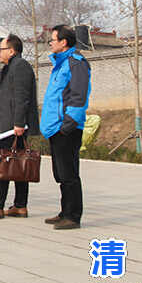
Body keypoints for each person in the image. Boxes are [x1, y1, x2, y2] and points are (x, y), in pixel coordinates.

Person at [41, 25, 91, 230]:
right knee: (61, 174)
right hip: (56, 128)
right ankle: (64, 211)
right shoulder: (60, 64)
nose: (50, 43)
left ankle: (73, 216)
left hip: (67, 128)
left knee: (69, 174)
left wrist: (68, 124)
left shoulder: (76, 63)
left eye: (52, 40)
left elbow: (78, 96)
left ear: (64, 42)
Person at [0, 34, 39, 221]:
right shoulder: (10, 68)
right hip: (10, 125)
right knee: (18, 164)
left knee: (4, 164)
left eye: (1, 49)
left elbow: (22, 97)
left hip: (15, 127)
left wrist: (18, 123)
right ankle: (20, 206)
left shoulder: (20, 66)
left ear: (12, 50)